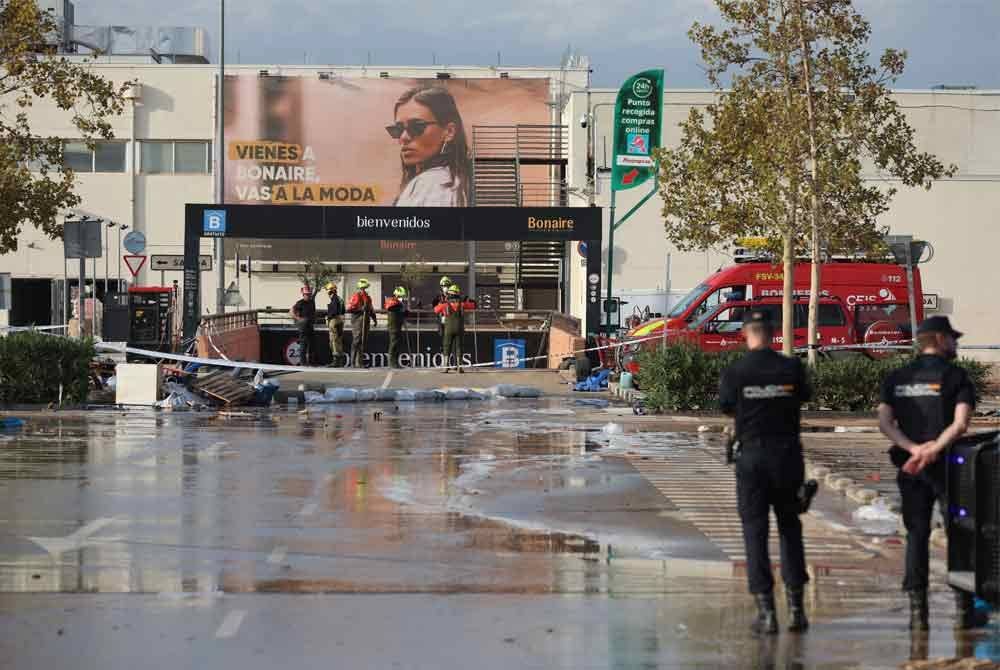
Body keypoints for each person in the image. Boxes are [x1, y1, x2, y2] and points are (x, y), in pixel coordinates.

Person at [877, 316, 986, 630]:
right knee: (959, 534)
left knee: (917, 535)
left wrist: (913, 449)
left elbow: (884, 422)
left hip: (911, 468)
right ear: (939, 339)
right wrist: (934, 449)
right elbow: (961, 423)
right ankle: (964, 610)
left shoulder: (897, 377)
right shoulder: (956, 377)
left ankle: (918, 610)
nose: (956, 343)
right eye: (952, 338)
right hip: (950, 468)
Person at [719, 310, 811, 635]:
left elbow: (728, 408)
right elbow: (803, 398)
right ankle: (797, 610)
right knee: (790, 528)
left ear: (745, 333)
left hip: (753, 457)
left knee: (754, 532)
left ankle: (767, 612)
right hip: (787, 455)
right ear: (772, 333)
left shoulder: (736, 371)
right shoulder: (792, 368)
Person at [387, 87, 471, 207]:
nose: (404, 137)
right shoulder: (451, 180)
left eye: (416, 127)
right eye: (398, 129)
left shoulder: (432, 183)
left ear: (449, 131)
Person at [434, 284, 475, 373]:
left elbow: (436, 310)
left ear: (449, 294)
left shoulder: (445, 305)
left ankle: (445, 367)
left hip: (448, 329)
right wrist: (468, 299)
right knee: (459, 347)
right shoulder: (462, 304)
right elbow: (473, 305)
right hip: (459, 329)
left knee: (446, 347)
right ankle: (459, 367)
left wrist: (441, 302)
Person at [347, 278, 377, 368]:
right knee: (357, 340)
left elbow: (371, 309)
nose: (363, 290)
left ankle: (359, 362)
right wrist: (360, 309)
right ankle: (352, 362)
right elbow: (350, 308)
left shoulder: (368, 297)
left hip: (366, 321)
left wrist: (374, 319)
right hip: (357, 321)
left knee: (363, 341)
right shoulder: (356, 296)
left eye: (365, 288)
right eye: (362, 288)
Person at [289, 286, 316, 366]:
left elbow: (313, 312)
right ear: (303, 294)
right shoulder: (300, 303)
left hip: (310, 326)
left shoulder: (312, 302)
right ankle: (303, 363)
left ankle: (311, 362)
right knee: (303, 345)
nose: (308, 296)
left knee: (311, 344)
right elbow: (291, 311)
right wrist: (298, 319)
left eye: (309, 294)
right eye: (306, 294)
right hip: (303, 326)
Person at [384, 286, 409, 369]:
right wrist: (399, 303)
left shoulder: (400, 304)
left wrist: (405, 311)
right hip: (393, 326)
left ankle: (396, 362)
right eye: (400, 296)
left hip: (398, 326)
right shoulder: (391, 301)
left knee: (398, 344)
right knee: (393, 344)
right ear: (396, 295)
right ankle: (391, 362)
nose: (402, 298)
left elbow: (403, 313)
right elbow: (389, 307)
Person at [324, 282, 346, 367]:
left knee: (333, 341)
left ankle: (335, 362)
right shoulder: (340, 299)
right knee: (339, 340)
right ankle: (340, 362)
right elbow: (343, 310)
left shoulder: (334, 299)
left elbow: (333, 311)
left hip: (334, 321)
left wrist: (328, 317)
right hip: (340, 320)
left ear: (330, 291)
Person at [431, 276, 453, 352]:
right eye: (443, 286)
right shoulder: (438, 297)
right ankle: (444, 352)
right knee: (443, 338)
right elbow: (434, 306)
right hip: (442, 321)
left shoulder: (453, 296)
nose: (445, 287)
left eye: (447, 286)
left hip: (451, 320)